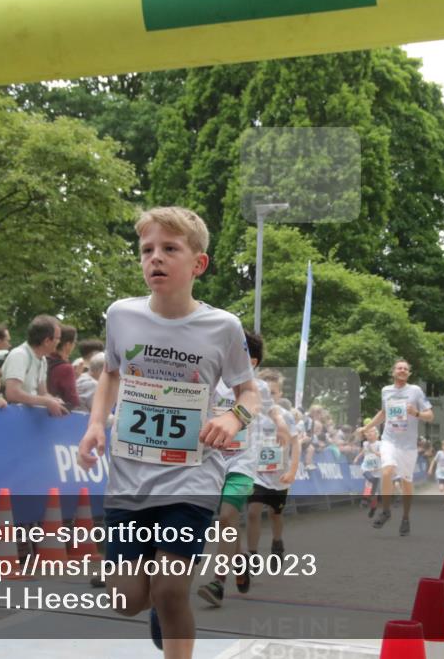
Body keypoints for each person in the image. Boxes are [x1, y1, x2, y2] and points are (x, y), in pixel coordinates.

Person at [76, 206, 259, 658]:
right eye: (147, 250)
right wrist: (96, 423)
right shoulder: (121, 315)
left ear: (198, 263)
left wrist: (234, 417)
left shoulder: (223, 326)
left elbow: (249, 391)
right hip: (130, 476)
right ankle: (156, 601)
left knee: (173, 589)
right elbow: (111, 375)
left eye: (169, 249)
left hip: (191, 476)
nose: (155, 258)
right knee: (126, 601)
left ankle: (169, 610)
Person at [197, 330, 272, 607]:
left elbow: (259, 407)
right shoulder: (210, 380)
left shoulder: (256, 387)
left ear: (250, 362)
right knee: (224, 523)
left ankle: (218, 583)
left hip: (242, 461)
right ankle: (238, 560)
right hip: (211, 459)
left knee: (227, 517)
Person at [357, 359, 434, 536]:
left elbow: (430, 415)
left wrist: (415, 413)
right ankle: (386, 511)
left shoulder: (415, 391)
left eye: (406, 369)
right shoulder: (386, 391)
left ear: (409, 374)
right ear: (393, 372)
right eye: (399, 368)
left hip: (408, 445)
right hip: (389, 440)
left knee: (407, 482)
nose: (402, 370)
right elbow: (383, 413)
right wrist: (367, 427)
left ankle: (406, 517)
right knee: (386, 471)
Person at [246, 368, 299, 562]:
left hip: (279, 475)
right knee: (253, 512)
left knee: (275, 514)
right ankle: (252, 554)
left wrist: (293, 470)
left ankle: (277, 542)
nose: (268, 396)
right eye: (264, 392)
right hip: (256, 473)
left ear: (280, 394)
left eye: (273, 393)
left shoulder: (285, 416)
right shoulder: (252, 414)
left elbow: (296, 443)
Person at [1, 314, 68, 417]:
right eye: (58, 338)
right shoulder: (19, 355)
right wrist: (46, 402)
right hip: (9, 417)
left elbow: (42, 393)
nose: (59, 342)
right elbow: (12, 393)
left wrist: (54, 400)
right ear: (46, 341)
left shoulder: (43, 359)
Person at [46, 324, 80, 410]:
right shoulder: (66, 368)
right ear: (68, 344)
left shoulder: (43, 360)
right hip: (55, 414)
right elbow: (73, 401)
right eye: (74, 343)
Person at [353, 426, 382, 518]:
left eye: (372, 432)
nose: (369, 433)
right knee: (368, 481)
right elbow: (363, 451)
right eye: (368, 432)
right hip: (367, 466)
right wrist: (357, 457)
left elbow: (382, 455)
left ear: (377, 435)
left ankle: (373, 508)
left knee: (374, 493)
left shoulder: (380, 444)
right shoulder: (365, 443)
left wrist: (373, 451)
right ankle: (365, 500)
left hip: (377, 468)